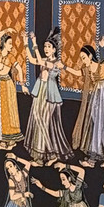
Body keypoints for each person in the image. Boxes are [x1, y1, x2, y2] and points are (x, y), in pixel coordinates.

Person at [66, 39, 104, 166]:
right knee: (99, 125)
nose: (83, 61)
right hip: (96, 95)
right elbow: (77, 73)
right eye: (81, 58)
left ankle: (92, 160)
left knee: (98, 125)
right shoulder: (87, 69)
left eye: (84, 58)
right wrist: (65, 67)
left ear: (90, 56)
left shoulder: (100, 65)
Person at [24, 29, 73, 164]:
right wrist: (25, 43)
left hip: (50, 94)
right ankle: (44, 154)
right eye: (45, 46)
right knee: (36, 117)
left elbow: (40, 61)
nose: (46, 49)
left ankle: (49, 153)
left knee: (44, 122)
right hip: (40, 91)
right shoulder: (45, 59)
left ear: (54, 50)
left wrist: (34, 42)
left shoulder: (56, 63)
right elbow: (32, 60)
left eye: (49, 47)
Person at [0, 30, 23, 149]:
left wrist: (22, 84)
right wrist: (6, 30)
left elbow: (19, 69)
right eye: (9, 43)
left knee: (8, 111)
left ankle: (10, 139)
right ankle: (2, 138)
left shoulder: (10, 57)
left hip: (7, 85)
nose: (11, 46)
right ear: (4, 44)